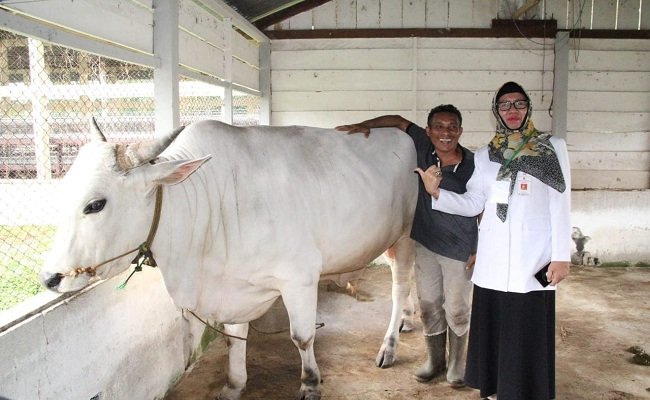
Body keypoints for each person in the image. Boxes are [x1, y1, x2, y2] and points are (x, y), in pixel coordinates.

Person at [415, 82, 571, 400]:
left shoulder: (551, 146)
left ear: (528, 108)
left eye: (518, 104)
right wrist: (436, 193)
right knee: (497, 326)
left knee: (525, 327)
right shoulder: (487, 155)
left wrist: (561, 255)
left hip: (533, 257)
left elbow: (561, 201)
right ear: (496, 111)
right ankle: (497, 388)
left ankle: (527, 390)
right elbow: (475, 203)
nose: (512, 111)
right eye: (504, 105)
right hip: (495, 260)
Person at [336, 105, 479, 388]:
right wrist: (366, 123)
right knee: (428, 304)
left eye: (452, 127)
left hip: (460, 247)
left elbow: (483, 206)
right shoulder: (424, 146)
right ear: (428, 131)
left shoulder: (475, 165)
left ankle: (457, 363)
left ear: (460, 131)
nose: (446, 133)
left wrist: (479, 247)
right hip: (426, 243)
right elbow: (399, 122)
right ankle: (434, 360)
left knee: (457, 308)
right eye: (439, 126)